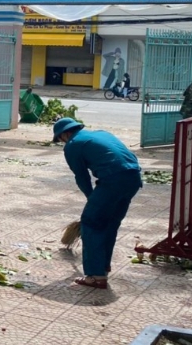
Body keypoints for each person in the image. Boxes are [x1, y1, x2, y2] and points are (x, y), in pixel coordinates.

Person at [52, 118, 142, 289]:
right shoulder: (102, 133)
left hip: (113, 180)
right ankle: (103, 265)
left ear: (65, 134)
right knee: (110, 223)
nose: (62, 142)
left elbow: (82, 177)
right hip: (134, 177)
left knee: (91, 222)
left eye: (60, 139)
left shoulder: (73, 144)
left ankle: (95, 276)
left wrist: (91, 197)